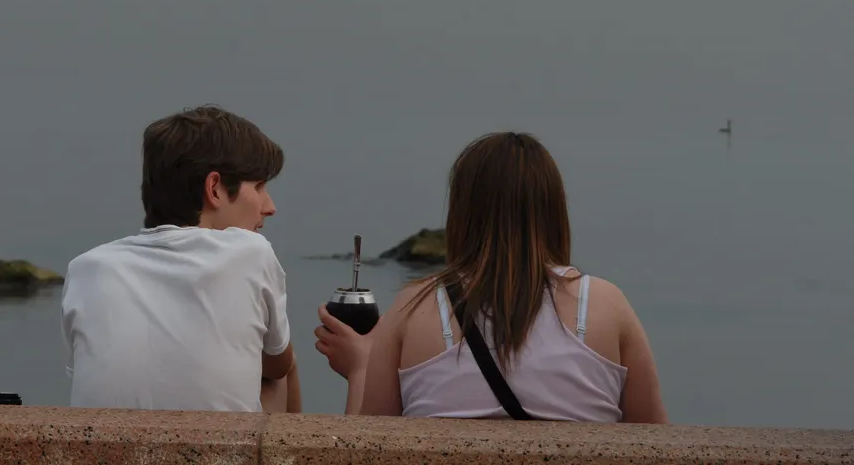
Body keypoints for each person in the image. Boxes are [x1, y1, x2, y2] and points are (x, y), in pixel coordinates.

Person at [314, 131, 666, 422]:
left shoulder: (412, 308)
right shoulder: (606, 305)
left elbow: (368, 449)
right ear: (554, 210)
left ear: (463, 213)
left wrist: (360, 367)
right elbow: (657, 445)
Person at [61, 105, 301, 413]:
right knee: (281, 369)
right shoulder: (252, 252)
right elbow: (278, 365)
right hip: (220, 454)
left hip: (102, 451)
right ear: (214, 189)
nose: (270, 206)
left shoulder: (86, 269)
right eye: (259, 187)